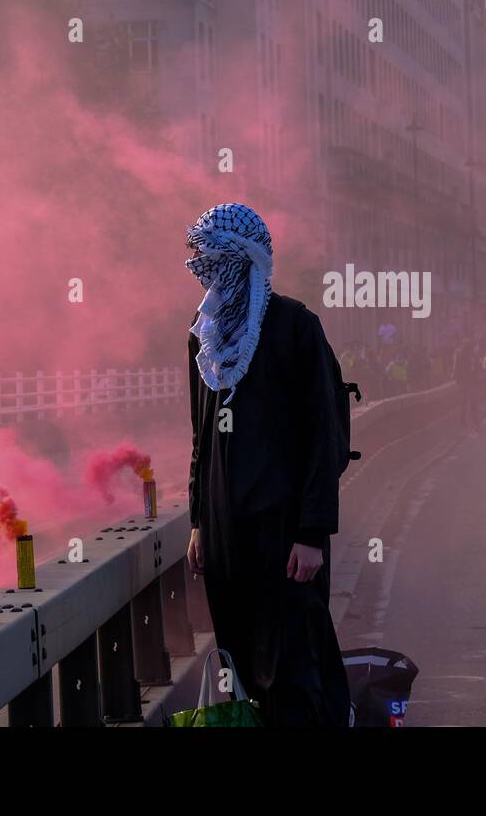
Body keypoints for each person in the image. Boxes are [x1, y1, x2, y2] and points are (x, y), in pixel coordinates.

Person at [183, 203, 350, 727]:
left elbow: (328, 435)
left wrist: (312, 531)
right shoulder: (203, 338)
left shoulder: (294, 327)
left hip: (285, 534)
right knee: (243, 664)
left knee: (295, 664)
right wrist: (197, 521)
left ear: (244, 261)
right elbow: (202, 437)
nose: (204, 272)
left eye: (215, 259)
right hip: (227, 535)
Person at [452, 337, 481, 430]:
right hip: (466, 381)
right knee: (469, 402)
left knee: (468, 402)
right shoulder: (461, 354)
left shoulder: (472, 354)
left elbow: (477, 366)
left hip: (469, 381)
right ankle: (471, 421)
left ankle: (469, 421)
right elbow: (457, 367)